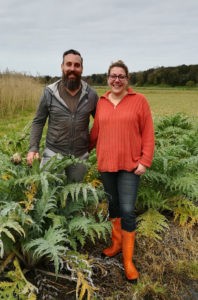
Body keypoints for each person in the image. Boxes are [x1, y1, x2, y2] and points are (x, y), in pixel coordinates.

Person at [89, 60, 155, 282]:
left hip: (130, 165)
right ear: (107, 78)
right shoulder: (102, 102)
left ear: (127, 79)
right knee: (114, 205)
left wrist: (145, 161)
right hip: (106, 164)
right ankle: (116, 244)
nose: (116, 80)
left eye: (121, 76)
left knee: (127, 209)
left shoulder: (139, 101)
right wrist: (80, 150)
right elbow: (96, 132)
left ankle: (128, 260)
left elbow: (148, 133)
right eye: (113, 76)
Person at [27, 49, 98, 182]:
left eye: (77, 65)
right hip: (53, 153)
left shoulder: (91, 94)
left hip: (80, 156)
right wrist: (33, 148)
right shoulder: (49, 92)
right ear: (62, 67)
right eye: (68, 64)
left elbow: (102, 122)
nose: (72, 68)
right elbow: (38, 121)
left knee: (75, 197)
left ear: (82, 68)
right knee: (50, 195)